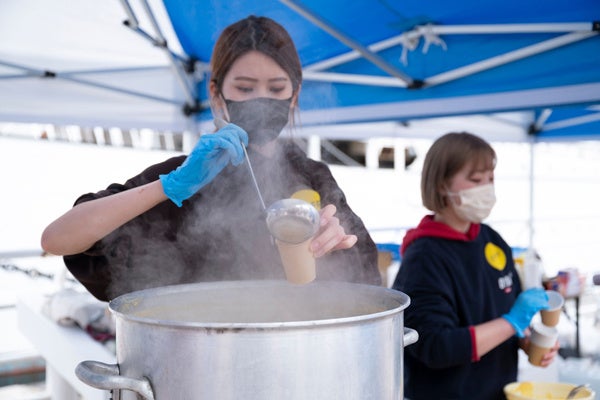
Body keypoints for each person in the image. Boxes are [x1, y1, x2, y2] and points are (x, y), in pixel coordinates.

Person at [41, 15, 380, 302]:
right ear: (217, 95)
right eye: (245, 89)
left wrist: (336, 247)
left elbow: (367, 292)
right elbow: (57, 239)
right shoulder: (184, 178)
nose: (262, 101)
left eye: (276, 89)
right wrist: (171, 186)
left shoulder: (314, 176)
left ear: (295, 95)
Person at [392, 132, 558, 400]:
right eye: (475, 179)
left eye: (490, 179)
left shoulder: (491, 240)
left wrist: (528, 343)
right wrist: (511, 322)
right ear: (442, 184)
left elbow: (503, 314)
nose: (487, 188)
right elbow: (434, 346)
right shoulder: (424, 256)